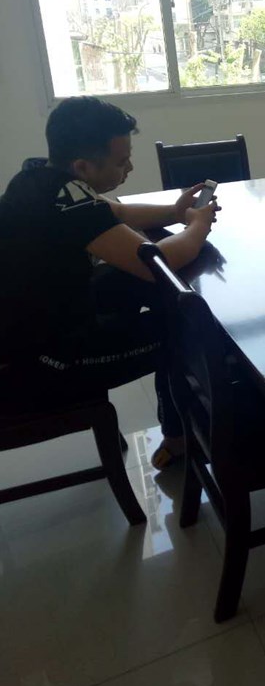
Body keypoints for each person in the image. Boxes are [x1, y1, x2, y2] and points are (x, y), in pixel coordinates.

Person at [0, 96, 219, 470]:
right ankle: (180, 438)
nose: (130, 167)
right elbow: (156, 264)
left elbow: (116, 212)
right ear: (83, 166)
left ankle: (182, 426)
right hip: (43, 360)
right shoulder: (67, 199)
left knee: (139, 285)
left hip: (33, 324)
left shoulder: (38, 178)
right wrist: (198, 226)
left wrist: (175, 211)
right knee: (183, 329)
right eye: (121, 161)